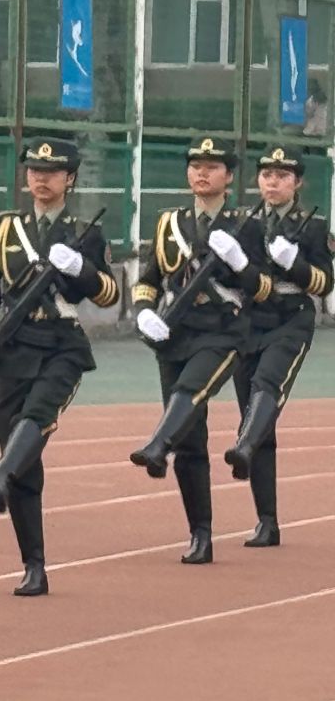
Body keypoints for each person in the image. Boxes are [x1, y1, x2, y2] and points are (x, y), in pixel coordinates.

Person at [0, 136, 119, 595]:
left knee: (34, 421)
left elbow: (109, 294)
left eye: (51, 173)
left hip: (61, 345)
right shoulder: (6, 228)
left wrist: (80, 270)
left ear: (69, 179)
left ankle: (1, 479)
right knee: (20, 456)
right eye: (34, 171)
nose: (41, 179)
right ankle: (33, 563)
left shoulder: (85, 231)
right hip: (13, 347)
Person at [127, 137, 267, 566]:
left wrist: (240, 263)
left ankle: (157, 443)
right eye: (195, 166)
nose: (201, 173)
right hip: (175, 332)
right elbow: (150, 278)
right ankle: (200, 533)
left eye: (211, 166)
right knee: (190, 438)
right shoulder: (169, 222)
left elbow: (262, 289)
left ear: (229, 175)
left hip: (223, 332)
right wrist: (143, 311)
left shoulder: (246, 224)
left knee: (189, 389)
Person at [226, 145, 331, 547]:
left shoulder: (313, 226)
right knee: (255, 416)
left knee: (267, 385)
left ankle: (244, 444)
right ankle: (266, 521)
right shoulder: (244, 221)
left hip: (290, 317)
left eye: (283, 176)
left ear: (297, 182)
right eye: (267, 175)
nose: (273, 182)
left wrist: (295, 264)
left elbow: (324, 283)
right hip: (250, 319)